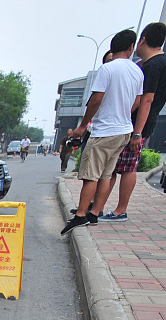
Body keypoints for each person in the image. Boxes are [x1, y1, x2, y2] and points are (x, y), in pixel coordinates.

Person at [62, 30, 144, 235]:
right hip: (124, 131)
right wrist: (123, 113)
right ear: (131, 47)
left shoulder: (107, 69)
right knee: (107, 174)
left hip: (104, 130)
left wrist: (83, 126)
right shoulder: (137, 71)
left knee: (91, 175)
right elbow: (137, 101)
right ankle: (95, 213)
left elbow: (96, 100)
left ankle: (81, 215)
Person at [98, 22, 166, 222]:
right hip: (134, 124)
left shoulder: (155, 65)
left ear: (143, 40)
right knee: (116, 167)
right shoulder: (154, 63)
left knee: (123, 167)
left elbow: (146, 100)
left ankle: (119, 210)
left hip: (136, 125)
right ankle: (100, 207)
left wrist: (137, 132)